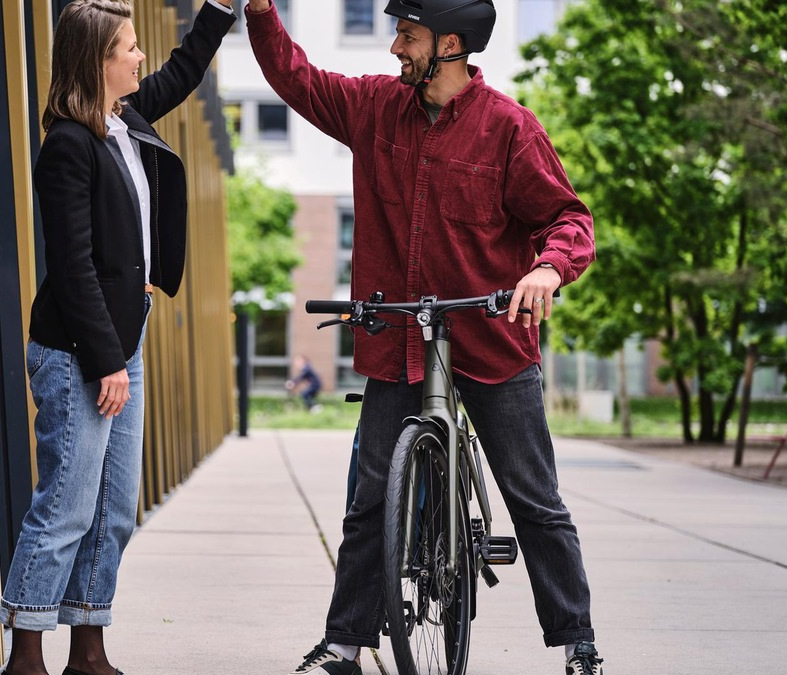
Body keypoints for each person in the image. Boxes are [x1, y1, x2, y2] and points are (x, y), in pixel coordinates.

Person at [242, 1, 604, 674]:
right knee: (370, 495)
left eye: (407, 36)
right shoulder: (375, 109)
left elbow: (567, 217)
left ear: (450, 45)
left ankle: (577, 642)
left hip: (492, 342)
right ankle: (343, 644)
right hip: (401, 335)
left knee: (535, 500)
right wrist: (261, 12)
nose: (394, 50)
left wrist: (549, 269)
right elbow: (298, 79)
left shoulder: (510, 130)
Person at [0, 1, 235, 674]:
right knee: (67, 508)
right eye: (128, 48)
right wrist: (107, 362)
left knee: (112, 510)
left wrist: (218, 11)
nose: (139, 58)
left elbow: (182, 71)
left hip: (119, 342)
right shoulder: (68, 146)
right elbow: (71, 267)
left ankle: (90, 646)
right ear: (98, 61)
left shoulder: (124, 120)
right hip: (80, 349)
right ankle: (27, 653)